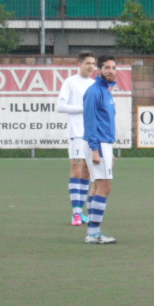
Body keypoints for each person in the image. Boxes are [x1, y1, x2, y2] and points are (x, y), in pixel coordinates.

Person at [56, 51, 97, 226]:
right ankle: (76, 213)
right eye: (88, 63)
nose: (91, 66)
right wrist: (83, 108)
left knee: (87, 172)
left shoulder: (94, 84)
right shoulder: (70, 82)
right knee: (77, 169)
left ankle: (80, 211)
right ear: (79, 64)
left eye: (93, 63)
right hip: (77, 133)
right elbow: (60, 106)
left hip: (91, 134)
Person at [81, 55, 119, 245]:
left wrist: (109, 150)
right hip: (98, 144)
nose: (111, 71)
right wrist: (96, 150)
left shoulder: (106, 91)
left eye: (113, 68)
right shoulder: (94, 91)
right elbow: (90, 122)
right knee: (104, 188)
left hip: (104, 145)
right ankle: (93, 233)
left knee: (96, 187)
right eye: (107, 68)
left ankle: (92, 232)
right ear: (99, 70)